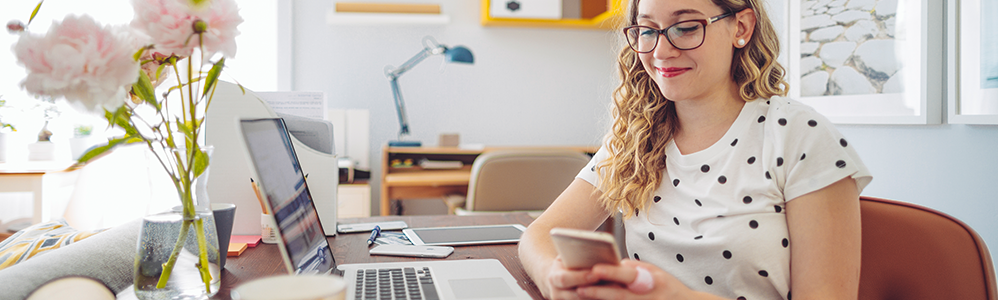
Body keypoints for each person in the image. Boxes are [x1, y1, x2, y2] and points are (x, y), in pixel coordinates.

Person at [518, 0, 873, 299]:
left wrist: (675, 296)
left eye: (686, 27)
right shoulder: (636, 136)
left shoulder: (800, 136)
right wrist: (554, 278)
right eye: (647, 30)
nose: (661, 50)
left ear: (741, 28)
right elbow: (538, 235)